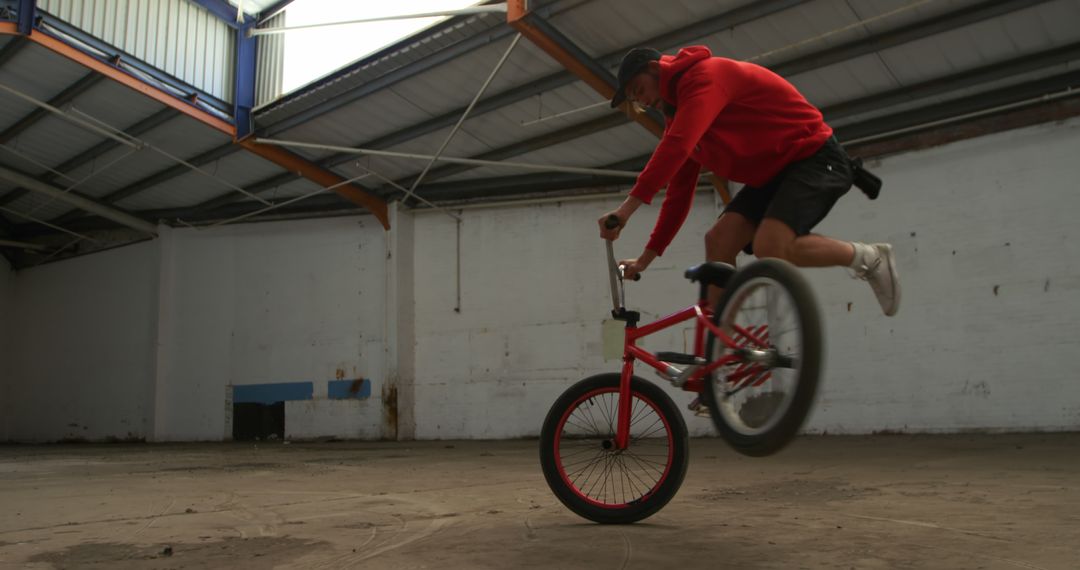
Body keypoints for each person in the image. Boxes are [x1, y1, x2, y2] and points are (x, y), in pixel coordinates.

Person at [598, 46, 899, 316]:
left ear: (655, 69)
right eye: (637, 101)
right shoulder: (681, 118)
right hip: (772, 175)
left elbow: (676, 146)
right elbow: (677, 197)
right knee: (718, 241)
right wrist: (645, 260)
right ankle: (723, 352)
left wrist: (625, 211)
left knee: (771, 244)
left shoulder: (705, 77)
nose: (644, 102)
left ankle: (870, 258)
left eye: (640, 90)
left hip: (813, 156)